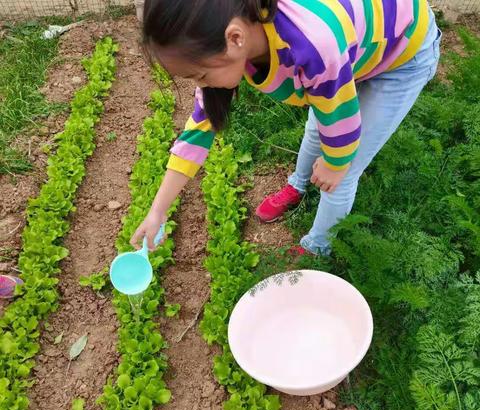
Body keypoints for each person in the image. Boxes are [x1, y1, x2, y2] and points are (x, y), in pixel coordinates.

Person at [130, 0, 442, 256]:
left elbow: (341, 123)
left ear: (235, 39)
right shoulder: (232, 32)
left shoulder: (313, 45)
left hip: (402, 51)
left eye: (198, 76)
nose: (200, 85)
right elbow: (198, 130)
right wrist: (157, 212)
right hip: (353, 47)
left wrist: (335, 163)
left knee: (342, 173)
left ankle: (317, 247)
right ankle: (299, 184)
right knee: (316, 131)